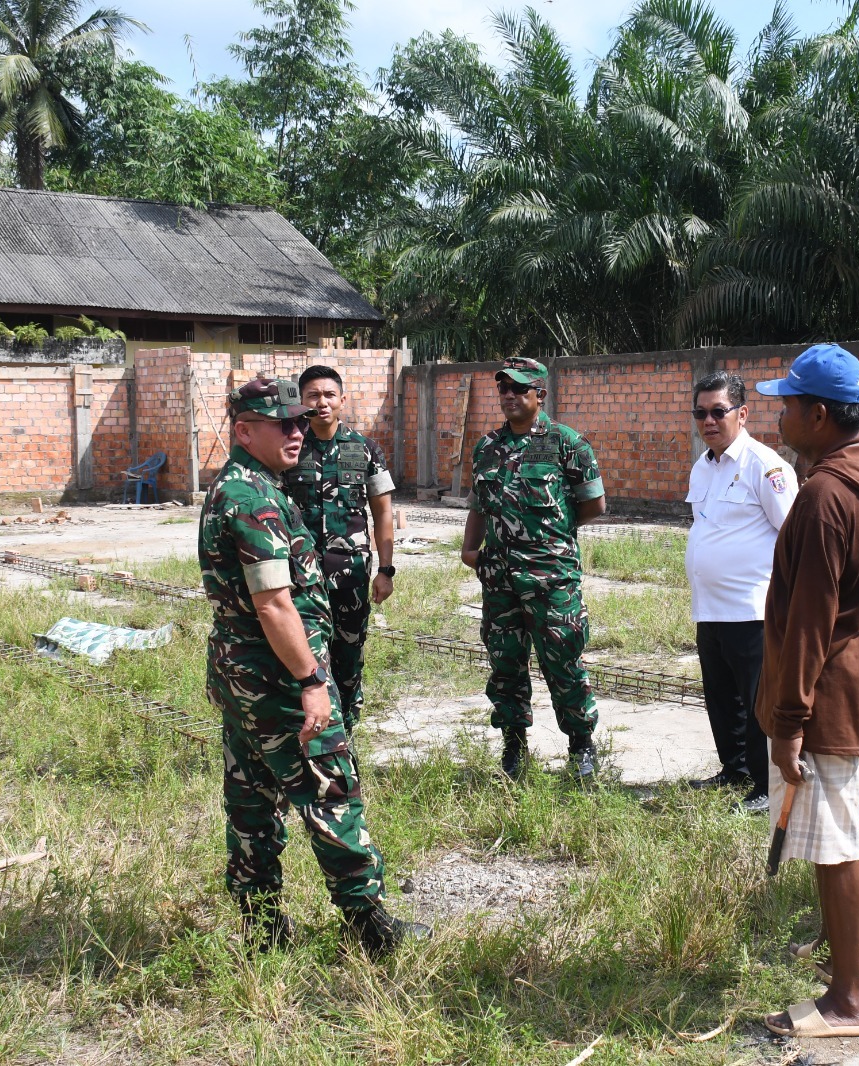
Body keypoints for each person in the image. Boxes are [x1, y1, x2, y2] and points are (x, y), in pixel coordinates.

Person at [199, 375, 427, 956]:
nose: (298, 431)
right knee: (331, 791)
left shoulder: (244, 486)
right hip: (276, 679)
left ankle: (263, 928)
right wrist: (311, 681)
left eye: (301, 421)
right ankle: (369, 926)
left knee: (251, 801)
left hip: (242, 676)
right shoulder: (251, 498)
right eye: (284, 424)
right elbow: (274, 603)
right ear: (245, 431)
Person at [753, 344, 859, 1040]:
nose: (778, 415)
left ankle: (850, 1002)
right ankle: (834, 957)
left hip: (825, 701)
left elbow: (808, 621)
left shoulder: (823, 495)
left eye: (786, 404)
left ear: (818, 415)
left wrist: (789, 721)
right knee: (830, 836)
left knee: (836, 845)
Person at [460, 357, 608, 780]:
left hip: (551, 576)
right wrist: (470, 550)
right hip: (499, 576)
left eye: (519, 389)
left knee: (562, 658)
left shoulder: (566, 443)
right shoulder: (487, 446)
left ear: (540, 395)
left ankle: (581, 745)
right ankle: (514, 745)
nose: (509, 396)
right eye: (503, 388)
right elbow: (479, 505)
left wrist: (551, 536)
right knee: (505, 661)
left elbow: (593, 503)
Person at [684, 370, 798, 814]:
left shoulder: (765, 467)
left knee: (758, 704)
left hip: (753, 610)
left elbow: (792, 537)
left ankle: (767, 784)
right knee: (721, 697)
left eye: (718, 411)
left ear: (743, 413)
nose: (708, 421)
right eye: (700, 413)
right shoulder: (703, 465)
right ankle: (734, 770)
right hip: (709, 609)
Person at [282, 364, 397, 733]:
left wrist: (386, 570)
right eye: (313, 395)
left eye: (329, 395)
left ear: (342, 400)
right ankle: (311, 719)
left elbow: (382, 513)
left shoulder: (365, 449)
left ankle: (346, 721)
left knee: (349, 649)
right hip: (299, 573)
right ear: (302, 401)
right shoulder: (289, 447)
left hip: (349, 572)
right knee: (303, 648)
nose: (322, 402)